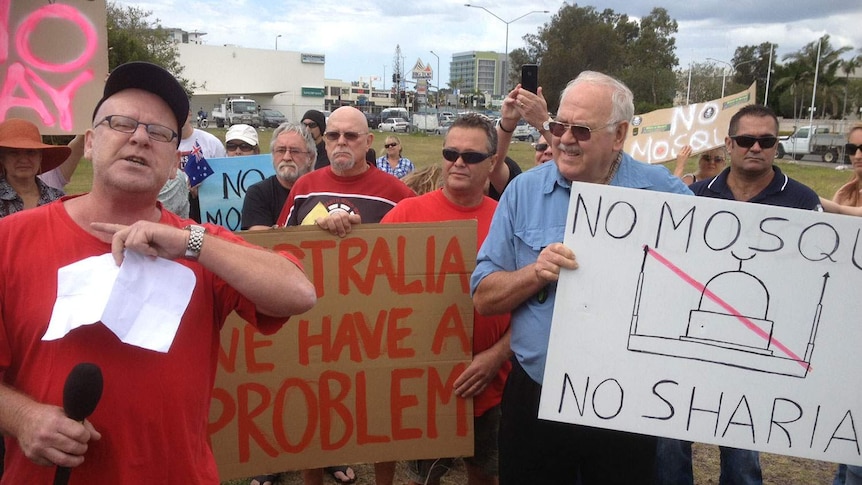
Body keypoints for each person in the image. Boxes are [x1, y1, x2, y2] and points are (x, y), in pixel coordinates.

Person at [0, 61, 316, 484]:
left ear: (174, 165)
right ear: (90, 142)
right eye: (121, 122)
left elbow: (298, 293)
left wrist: (190, 244)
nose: (139, 137)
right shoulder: (10, 240)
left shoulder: (201, 245)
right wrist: (21, 418)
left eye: (160, 133)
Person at [471, 71, 691, 485]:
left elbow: (708, 272)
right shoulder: (523, 192)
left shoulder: (663, 193)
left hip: (627, 400)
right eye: (558, 125)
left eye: (582, 130)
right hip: (535, 392)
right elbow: (483, 297)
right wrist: (535, 273)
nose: (565, 139)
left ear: (620, 133)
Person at [657, 104, 822, 485]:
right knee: (669, 441)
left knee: (743, 452)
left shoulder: (801, 200)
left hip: (759, 347)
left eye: (766, 141)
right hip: (695, 339)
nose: (756, 148)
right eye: (746, 140)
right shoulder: (696, 196)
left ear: (776, 147)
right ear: (729, 144)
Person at [273, 106, 414, 485]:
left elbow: (417, 260)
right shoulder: (305, 186)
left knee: (380, 408)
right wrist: (313, 232)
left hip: (375, 324)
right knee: (314, 408)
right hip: (315, 320)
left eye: (350, 136)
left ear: (368, 142)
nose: (340, 142)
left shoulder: (396, 193)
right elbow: (279, 243)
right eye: (333, 135)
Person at [381, 114, 512, 485]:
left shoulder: (509, 220)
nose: (458, 162)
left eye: (471, 156)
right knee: (424, 478)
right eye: (451, 152)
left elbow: (534, 304)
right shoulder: (406, 215)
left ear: (491, 163)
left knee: (485, 475)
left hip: (492, 384)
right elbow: (366, 288)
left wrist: (497, 355)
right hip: (422, 384)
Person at [241, 122, 315, 230]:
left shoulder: (323, 190)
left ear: (310, 158)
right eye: (281, 150)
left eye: (294, 151)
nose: (286, 157)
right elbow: (258, 239)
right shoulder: (258, 193)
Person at [0, 119, 70, 217]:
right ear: (2, 158)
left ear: (40, 157)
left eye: (30, 152)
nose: (24, 160)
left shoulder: (58, 199)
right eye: (14, 152)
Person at [173, 109, 227, 222]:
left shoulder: (211, 143)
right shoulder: (162, 144)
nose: (177, 118)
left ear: (189, 114)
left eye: (180, 113)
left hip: (206, 209)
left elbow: (224, 179)